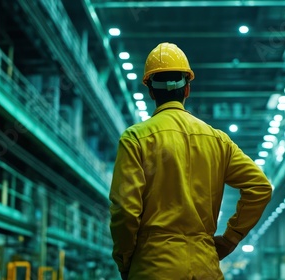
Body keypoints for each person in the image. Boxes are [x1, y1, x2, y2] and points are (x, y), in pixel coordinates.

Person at [109, 42, 272, 280]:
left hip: (153, 267)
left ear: (151, 91)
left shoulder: (136, 138)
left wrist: (126, 261)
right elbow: (260, 188)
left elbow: (125, 210)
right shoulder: (218, 141)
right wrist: (228, 241)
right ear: (187, 89)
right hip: (206, 266)